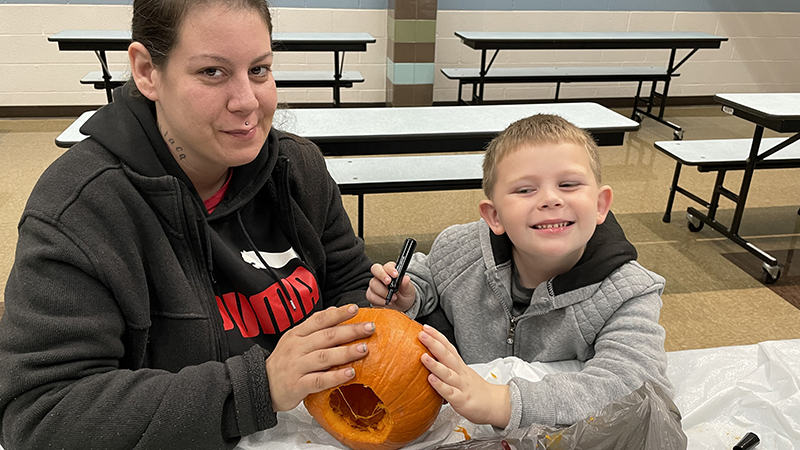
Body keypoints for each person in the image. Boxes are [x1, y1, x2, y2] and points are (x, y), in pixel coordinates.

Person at [0, 0, 376, 448]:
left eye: (259, 70)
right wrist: (259, 386)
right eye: (212, 73)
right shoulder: (82, 208)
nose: (247, 101)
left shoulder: (297, 168)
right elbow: (42, 415)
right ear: (146, 71)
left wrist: (384, 312)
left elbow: (350, 286)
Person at [368, 114, 672, 431]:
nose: (551, 199)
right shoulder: (459, 249)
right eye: (526, 190)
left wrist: (502, 402)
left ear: (600, 204)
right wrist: (409, 297)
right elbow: (427, 277)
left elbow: (638, 386)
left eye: (568, 184)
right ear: (494, 215)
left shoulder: (629, 292)